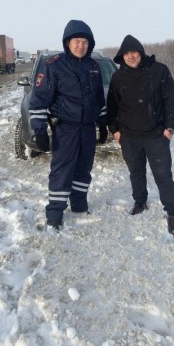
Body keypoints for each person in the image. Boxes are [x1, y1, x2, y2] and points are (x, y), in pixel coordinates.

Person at [29, 20, 108, 230]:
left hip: (87, 129)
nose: (80, 46)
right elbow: (38, 99)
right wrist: (39, 129)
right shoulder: (54, 65)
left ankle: (80, 206)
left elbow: (99, 98)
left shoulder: (93, 67)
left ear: (89, 44)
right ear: (67, 43)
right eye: (76, 41)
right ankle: (54, 215)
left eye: (84, 42)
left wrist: (102, 122)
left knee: (84, 168)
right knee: (62, 170)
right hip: (65, 128)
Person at [107, 35, 174, 236]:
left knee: (163, 175)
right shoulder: (118, 77)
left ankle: (173, 212)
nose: (131, 57)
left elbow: (172, 100)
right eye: (126, 54)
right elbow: (111, 107)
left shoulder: (159, 71)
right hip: (129, 138)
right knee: (136, 173)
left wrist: (170, 127)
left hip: (156, 136)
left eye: (134, 52)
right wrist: (115, 130)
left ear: (140, 52)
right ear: (122, 56)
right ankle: (140, 202)